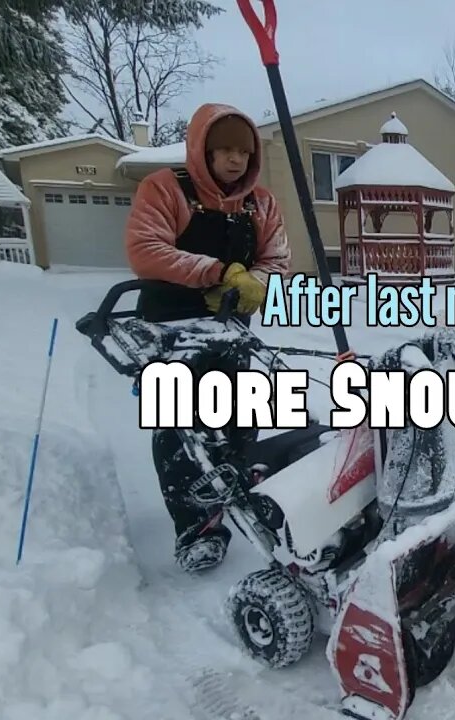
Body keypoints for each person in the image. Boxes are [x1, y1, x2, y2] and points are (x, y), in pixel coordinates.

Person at [123, 102, 290, 572]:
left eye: (243, 150)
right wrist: (217, 273)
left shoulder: (261, 203)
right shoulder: (164, 189)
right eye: (224, 150)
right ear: (203, 150)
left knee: (242, 413)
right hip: (169, 328)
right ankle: (197, 528)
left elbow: (277, 257)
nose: (235, 160)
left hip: (231, 330)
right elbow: (145, 249)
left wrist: (256, 282)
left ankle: (239, 493)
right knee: (179, 427)